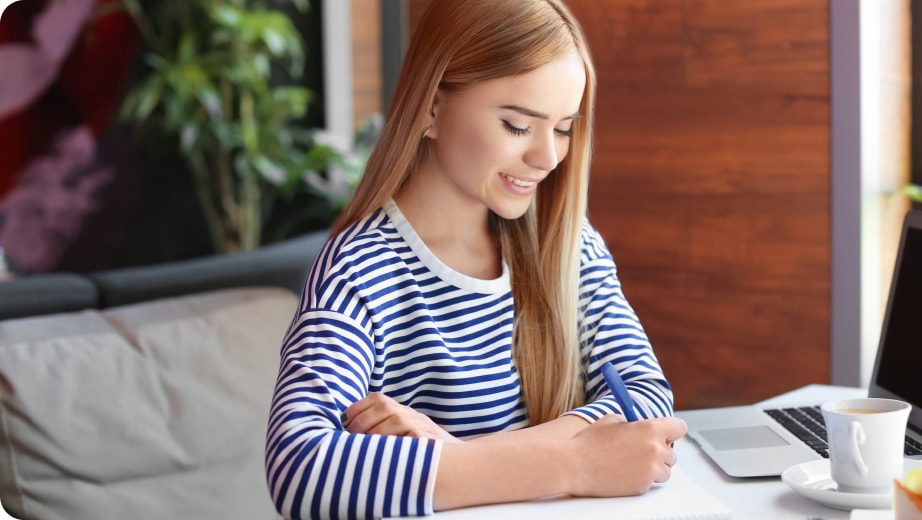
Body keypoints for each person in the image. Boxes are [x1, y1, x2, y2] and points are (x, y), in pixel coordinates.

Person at [264, 0, 686, 518]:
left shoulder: (567, 243)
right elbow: (299, 468)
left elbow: (643, 396)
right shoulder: (357, 271)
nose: (548, 158)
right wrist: (572, 464)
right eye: (517, 125)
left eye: (562, 128)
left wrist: (462, 455)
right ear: (432, 108)